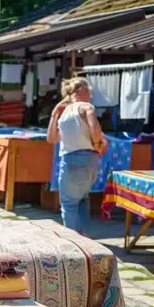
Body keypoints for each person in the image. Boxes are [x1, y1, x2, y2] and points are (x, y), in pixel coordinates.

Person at [47, 77, 109, 235]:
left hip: (71, 161)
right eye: (86, 88)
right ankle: (85, 238)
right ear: (77, 91)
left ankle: (74, 242)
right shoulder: (86, 106)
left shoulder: (65, 114)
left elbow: (51, 138)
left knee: (69, 204)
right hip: (91, 160)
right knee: (82, 200)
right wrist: (97, 144)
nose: (89, 91)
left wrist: (54, 114)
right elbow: (95, 129)